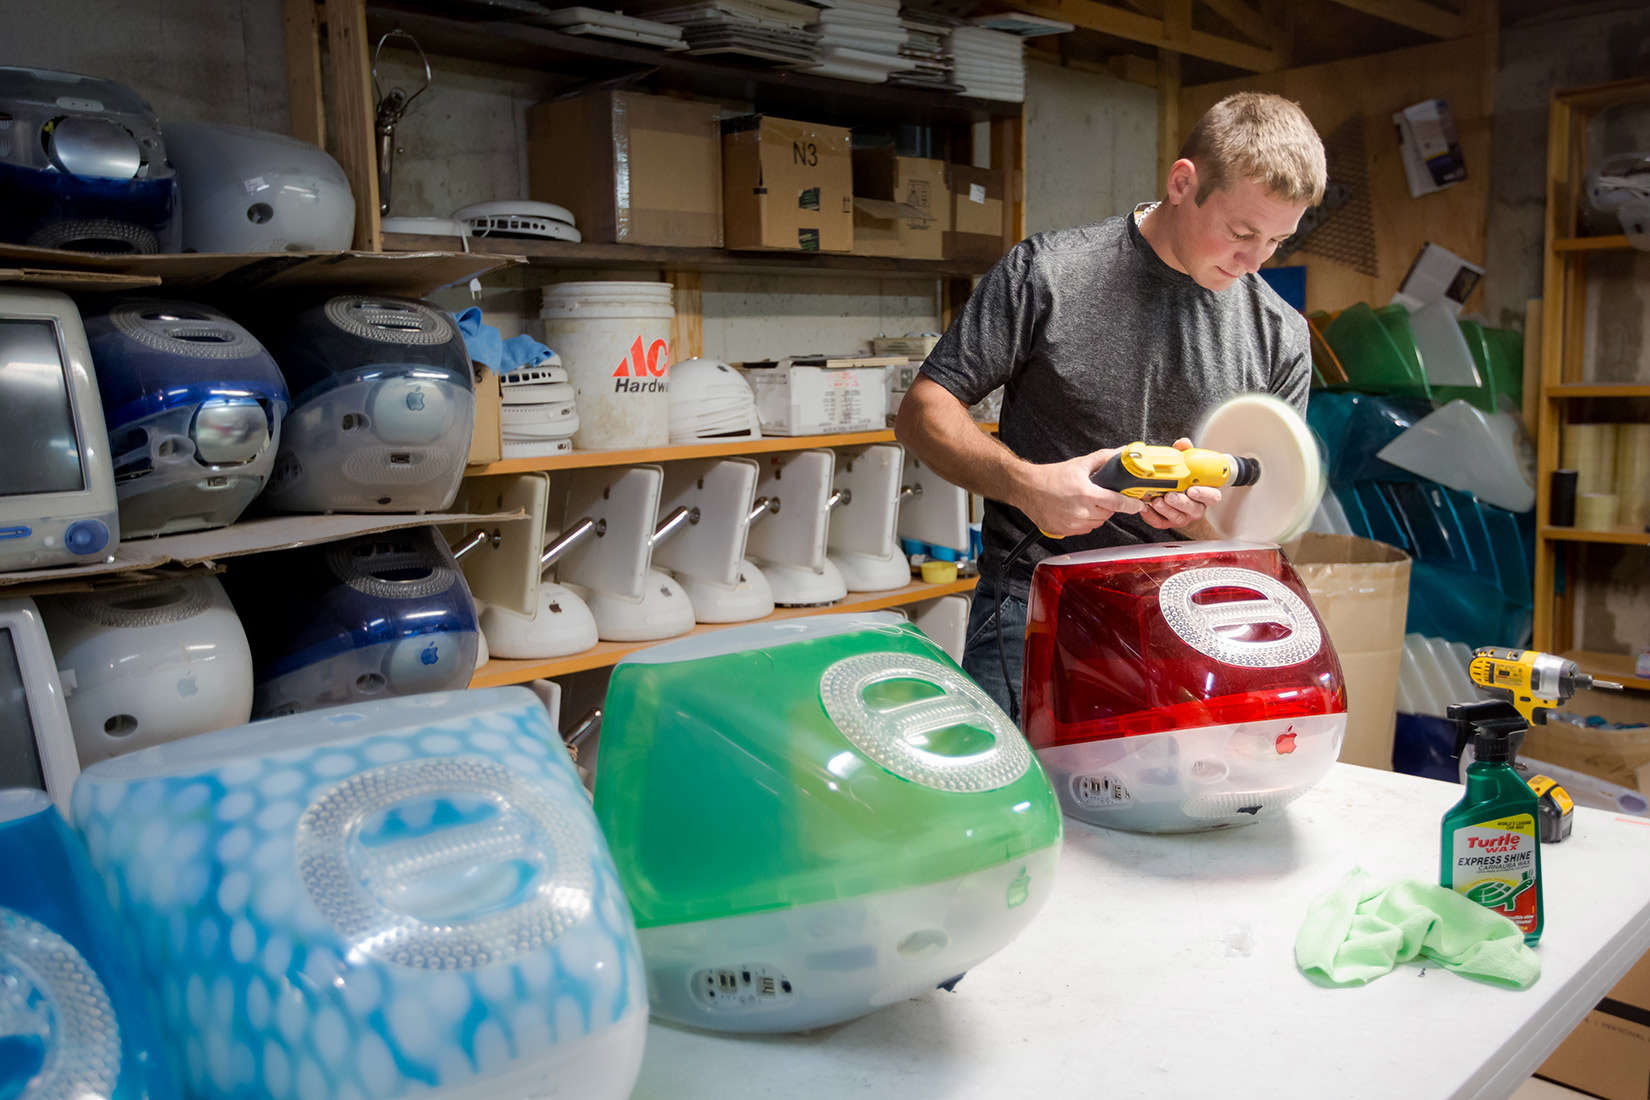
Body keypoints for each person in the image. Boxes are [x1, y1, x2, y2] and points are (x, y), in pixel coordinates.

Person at [894, 91, 1325, 723]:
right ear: (1183, 183)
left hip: (1191, 624)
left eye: (1277, 240)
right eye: (1241, 233)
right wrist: (1030, 486)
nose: (1255, 261)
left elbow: (1264, 527)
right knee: (1011, 787)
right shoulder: (1050, 274)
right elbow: (922, 411)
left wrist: (1197, 524)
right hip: (1034, 610)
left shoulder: (1280, 334)